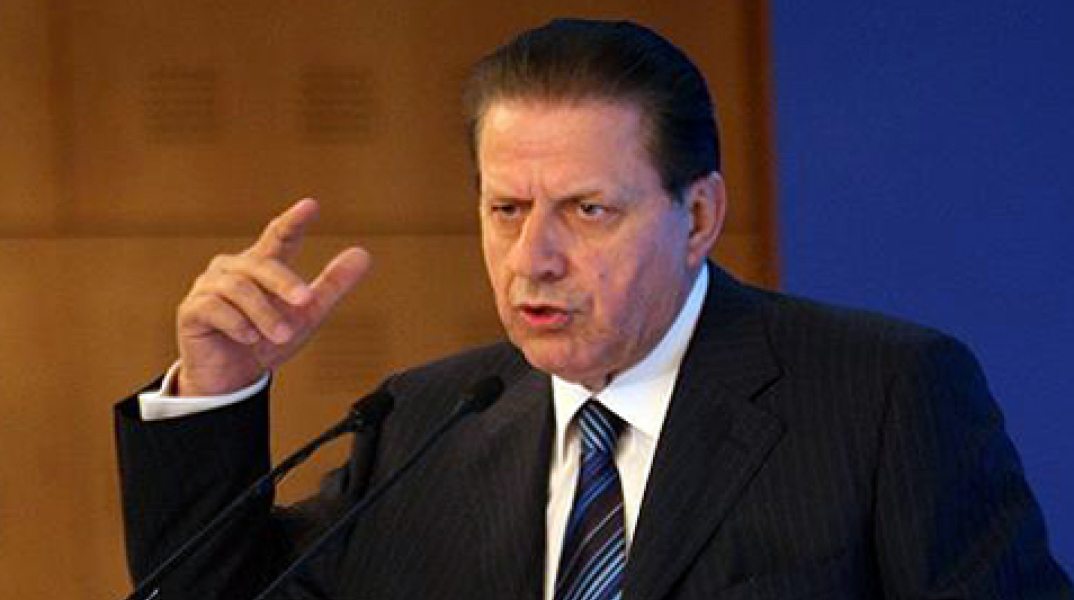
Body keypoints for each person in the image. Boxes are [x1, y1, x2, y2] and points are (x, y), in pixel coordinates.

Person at [115, 18, 1072, 600]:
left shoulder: (882, 394)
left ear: (698, 216)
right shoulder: (426, 423)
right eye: (507, 210)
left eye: (587, 211)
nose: (534, 258)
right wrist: (215, 391)